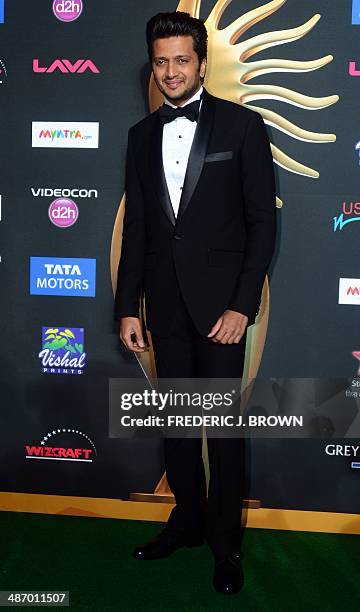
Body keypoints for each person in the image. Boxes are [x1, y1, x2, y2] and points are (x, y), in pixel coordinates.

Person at [114, 11, 276, 595]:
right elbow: (136, 230)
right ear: (152, 65)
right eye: (162, 61)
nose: (172, 71)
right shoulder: (139, 136)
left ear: (203, 64)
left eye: (183, 60)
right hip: (165, 309)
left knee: (224, 431)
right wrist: (128, 307)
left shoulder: (241, 127)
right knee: (179, 428)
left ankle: (225, 542)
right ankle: (185, 521)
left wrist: (241, 306)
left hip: (222, 313)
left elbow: (262, 225)